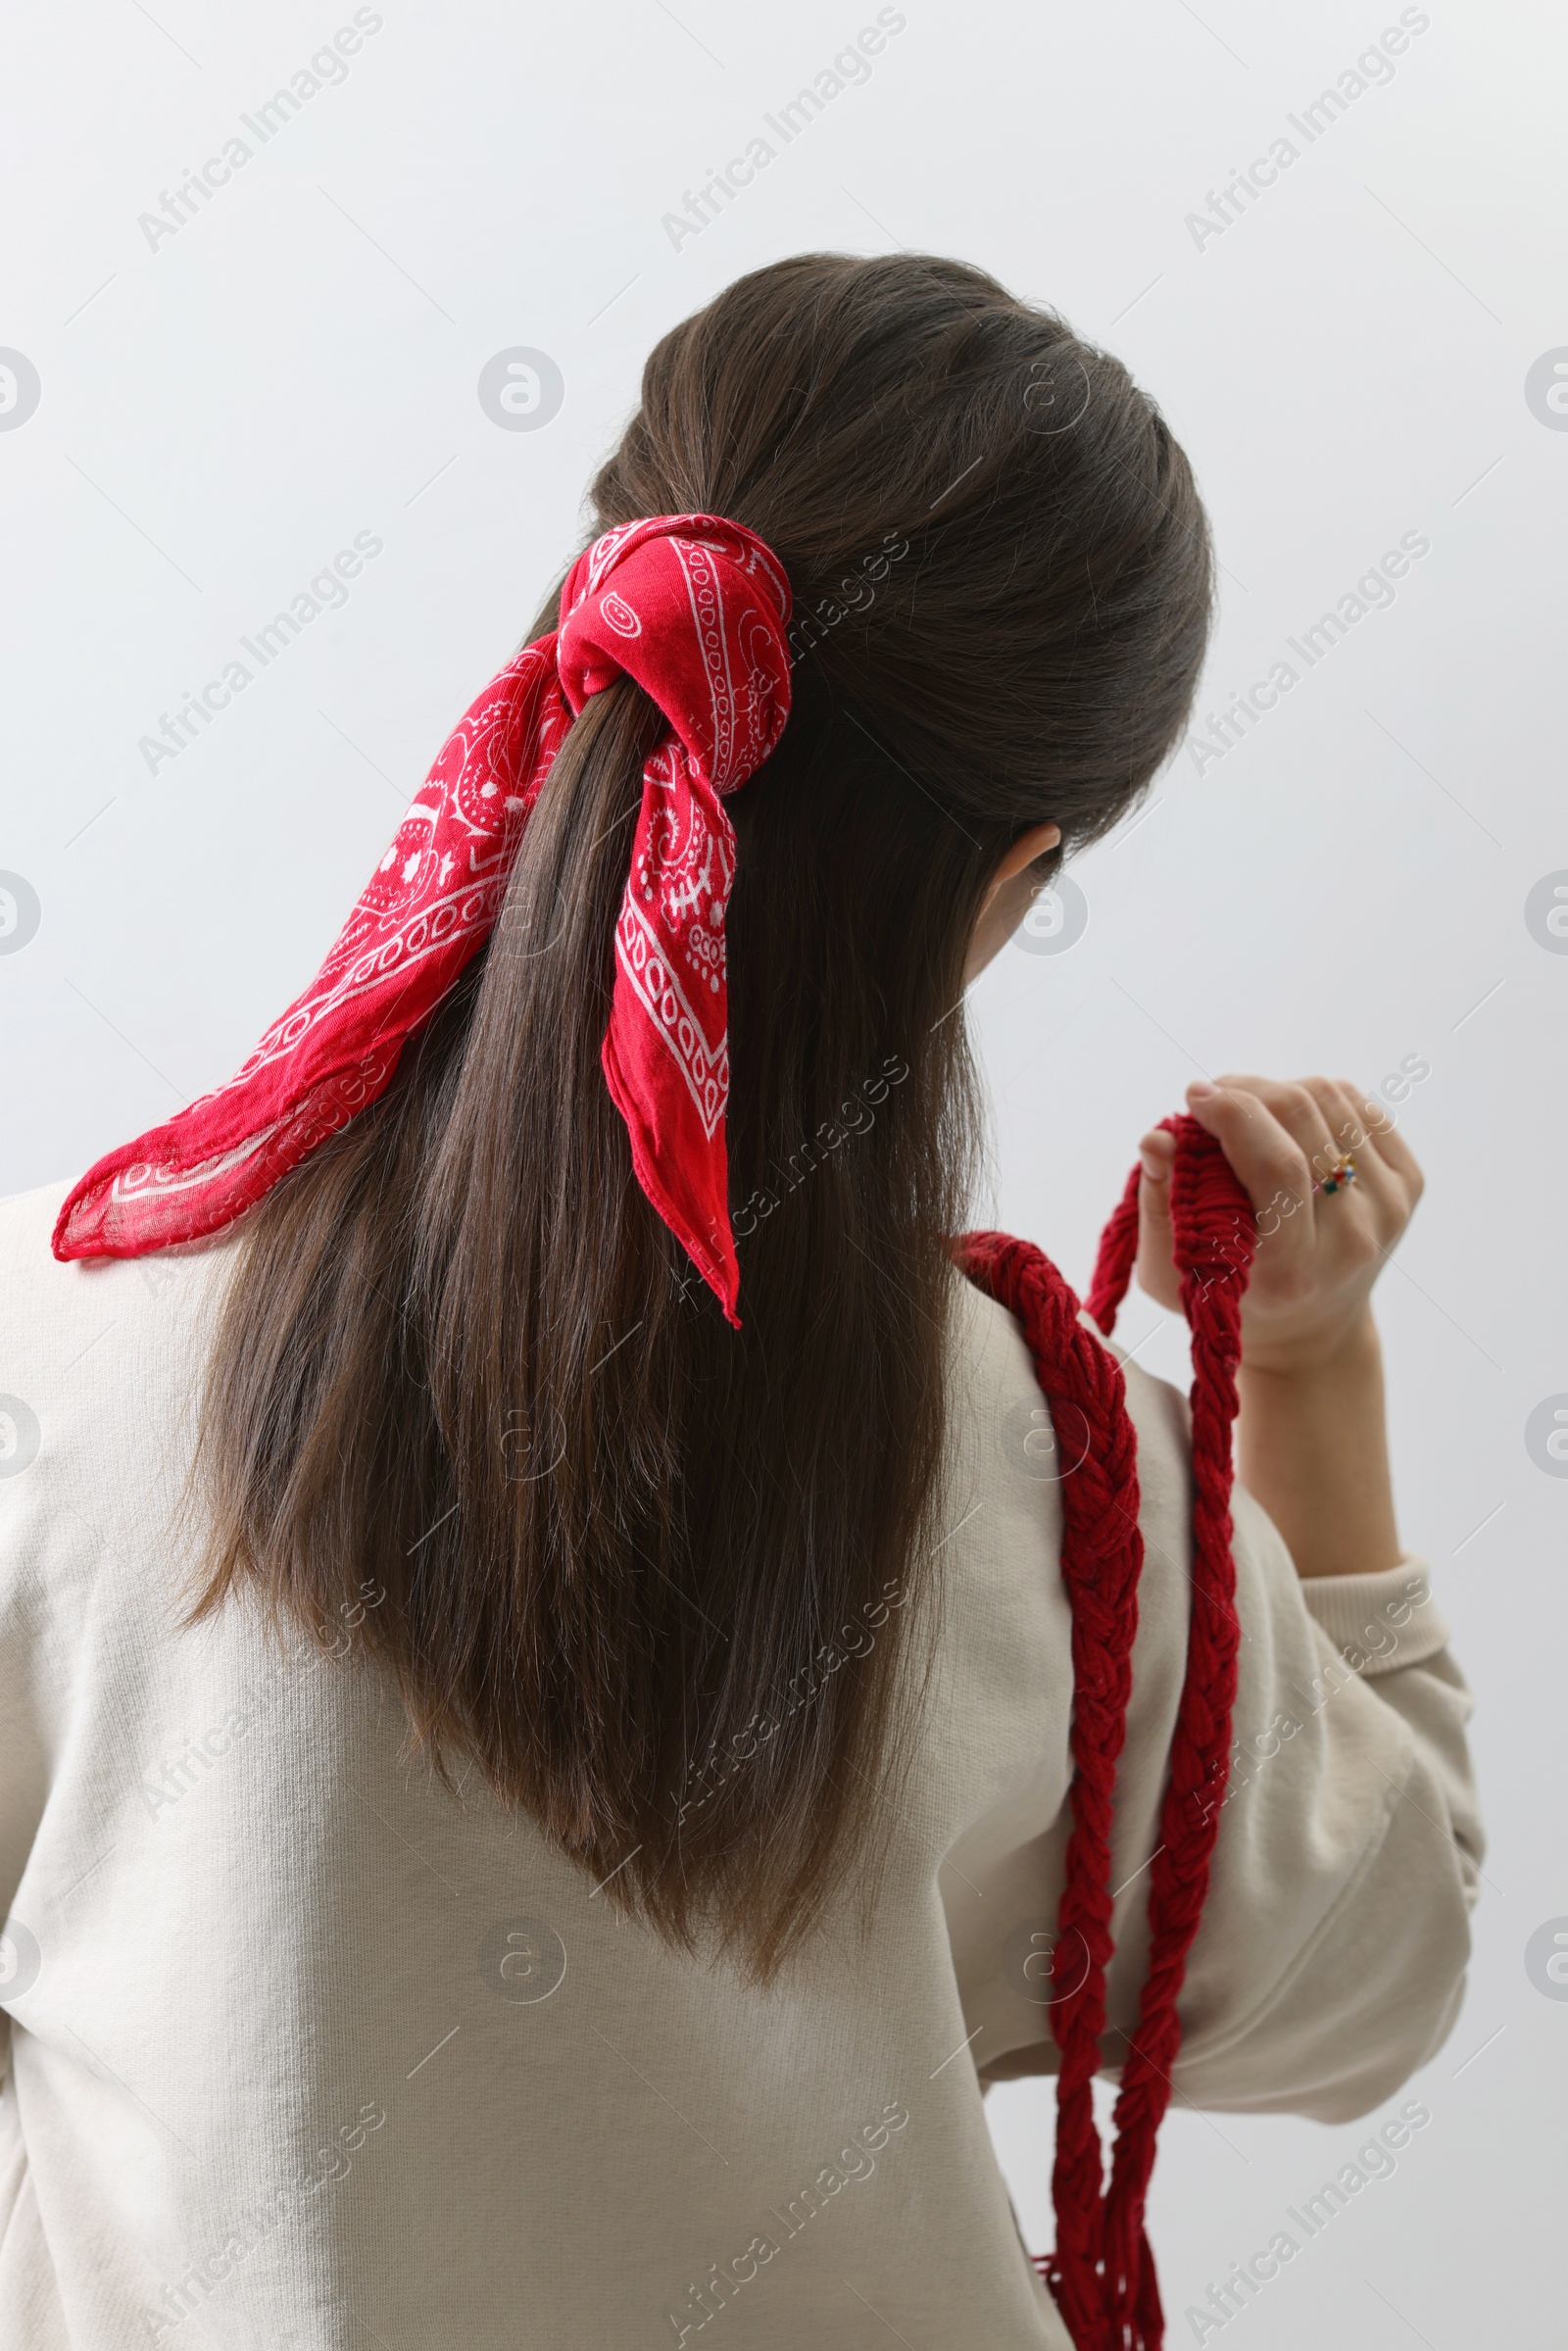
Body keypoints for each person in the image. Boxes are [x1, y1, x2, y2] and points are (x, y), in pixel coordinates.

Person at [0, 253, 1480, 2350]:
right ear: (1005, 878)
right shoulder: (1068, 1493)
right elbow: (1373, 1977)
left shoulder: (58, 1322)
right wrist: (1314, 1371)